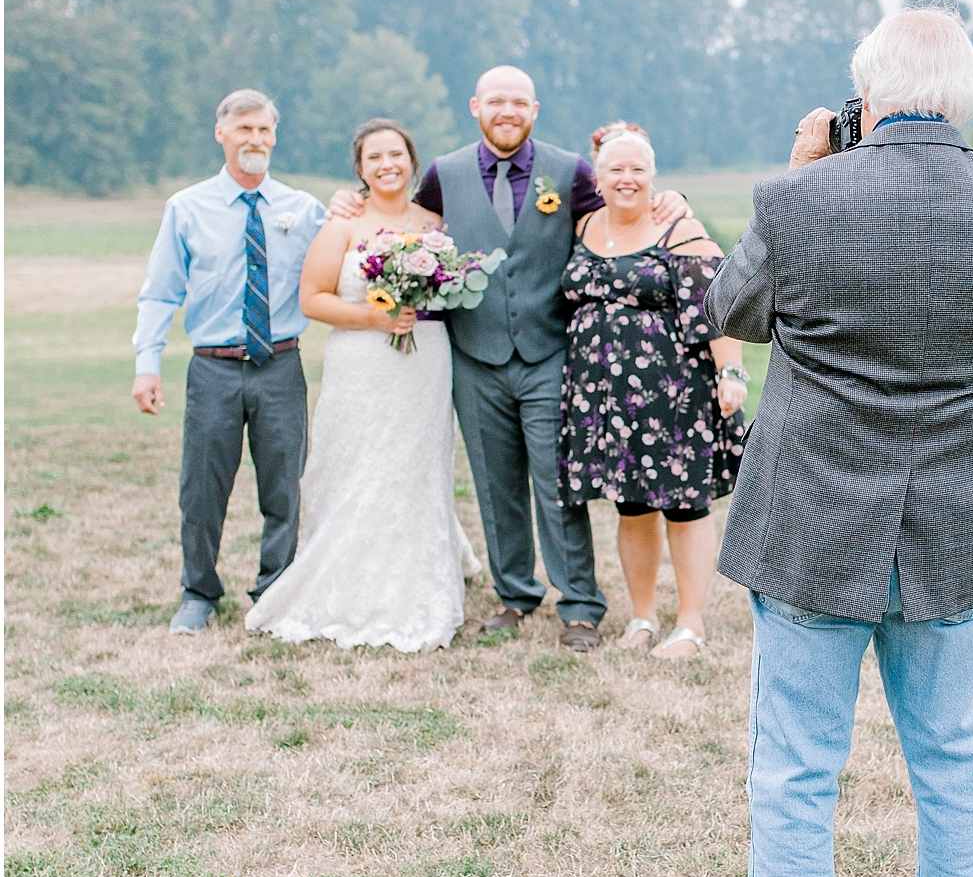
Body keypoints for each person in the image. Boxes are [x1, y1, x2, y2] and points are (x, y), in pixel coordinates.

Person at [705, 6, 973, 877]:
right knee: (956, 772)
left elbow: (735, 307)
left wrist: (807, 165)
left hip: (814, 523)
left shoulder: (801, 198)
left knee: (797, 777)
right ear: (966, 93)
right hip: (961, 525)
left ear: (868, 94)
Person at [328, 66, 688, 651]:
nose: (507, 111)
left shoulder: (570, 171)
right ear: (476, 106)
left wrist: (671, 197)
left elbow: (626, 210)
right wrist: (350, 201)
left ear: (534, 109)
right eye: (496, 101)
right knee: (496, 486)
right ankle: (516, 595)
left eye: (518, 102)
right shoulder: (443, 175)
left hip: (550, 352)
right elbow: (404, 225)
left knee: (556, 483)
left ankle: (578, 604)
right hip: (474, 353)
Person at [245, 120, 480, 652]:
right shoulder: (342, 224)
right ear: (359, 168)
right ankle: (344, 579)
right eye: (374, 157)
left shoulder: (435, 223)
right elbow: (312, 299)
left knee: (414, 467)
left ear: (412, 160)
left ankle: (419, 577)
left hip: (423, 364)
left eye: (395, 154)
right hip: (360, 362)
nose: (386, 165)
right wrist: (374, 319)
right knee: (356, 464)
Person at [132, 91, 327, 633]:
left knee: (284, 484)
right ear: (221, 133)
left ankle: (275, 588)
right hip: (214, 367)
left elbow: (339, 268)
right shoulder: (186, 208)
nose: (255, 140)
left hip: (281, 366)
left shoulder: (302, 209)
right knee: (202, 486)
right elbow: (160, 293)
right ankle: (198, 592)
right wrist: (147, 364)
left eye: (264, 130)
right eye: (244, 129)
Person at [557, 123, 749, 659]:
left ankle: (690, 623)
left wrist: (730, 374)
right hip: (603, 398)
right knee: (631, 506)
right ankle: (642, 616)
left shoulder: (677, 226)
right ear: (596, 176)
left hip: (672, 392)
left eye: (638, 169)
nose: (627, 178)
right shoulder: (583, 224)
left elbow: (718, 306)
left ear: (654, 177)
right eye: (616, 168)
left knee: (684, 507)